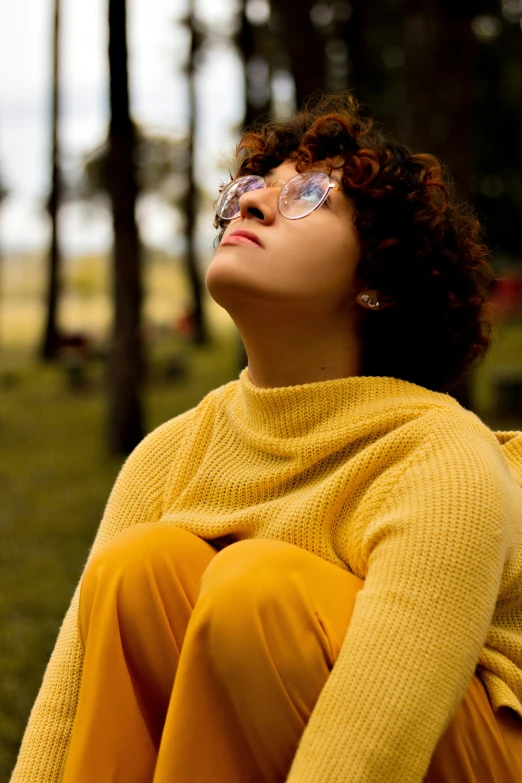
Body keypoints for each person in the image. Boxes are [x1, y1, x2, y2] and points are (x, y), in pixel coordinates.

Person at [10, 93, 522, 783]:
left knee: (260, 587)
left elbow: (375, 744)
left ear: (379, 279)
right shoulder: (170, 453)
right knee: (141, 566)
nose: (251, 205)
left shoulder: (438, 455)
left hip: (451, 753)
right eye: (251, 189)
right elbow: (67, 708)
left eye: (310, 195)